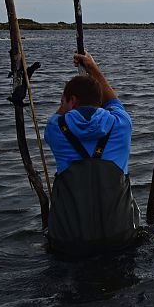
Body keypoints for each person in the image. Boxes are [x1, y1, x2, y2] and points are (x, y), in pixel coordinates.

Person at [44, 50, 140, 256]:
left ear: (72, 101)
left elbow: (61, 115)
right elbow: (113, 101)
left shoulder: (55, 129)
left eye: (64, 101)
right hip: (120, 237)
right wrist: (92, 69)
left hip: (69, 242)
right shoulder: (122, 125)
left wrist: (66, 105)